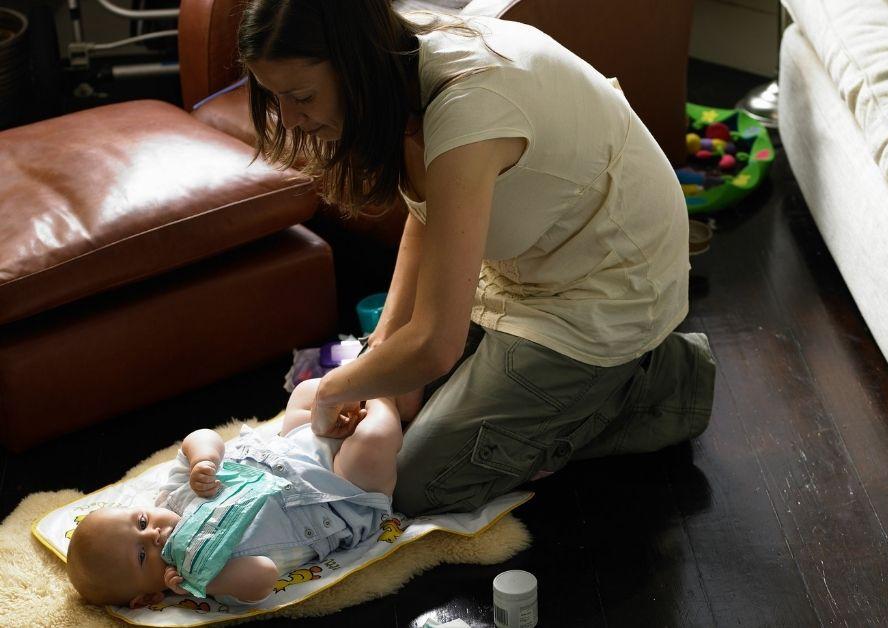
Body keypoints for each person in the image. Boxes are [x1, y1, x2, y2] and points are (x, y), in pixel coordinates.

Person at [236, 0, 716, 517]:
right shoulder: (398, 61)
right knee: (396, 417)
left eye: (301, 96)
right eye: (273, 97)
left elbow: (436, 347)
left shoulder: (468, 101)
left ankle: (661, 382)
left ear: (356, 67)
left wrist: (335, 387)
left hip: (604, 292)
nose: (287, 118)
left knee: (418, 483)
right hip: (519, 264)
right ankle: (567, 394)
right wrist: (380, 351)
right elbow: (428, 214)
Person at [66, 379, 401, 608]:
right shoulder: (210, 583)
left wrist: (204, 458)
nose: (153, 534)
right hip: (338, 494)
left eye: (141, 522)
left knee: (308, 391)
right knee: (373, 439)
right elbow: (264, 576)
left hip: (291, 448)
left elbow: (197, 438)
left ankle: (363, 387)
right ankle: (387, 389)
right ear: (147, 598)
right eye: (141, 555)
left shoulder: (174, 496)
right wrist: (206, 577)